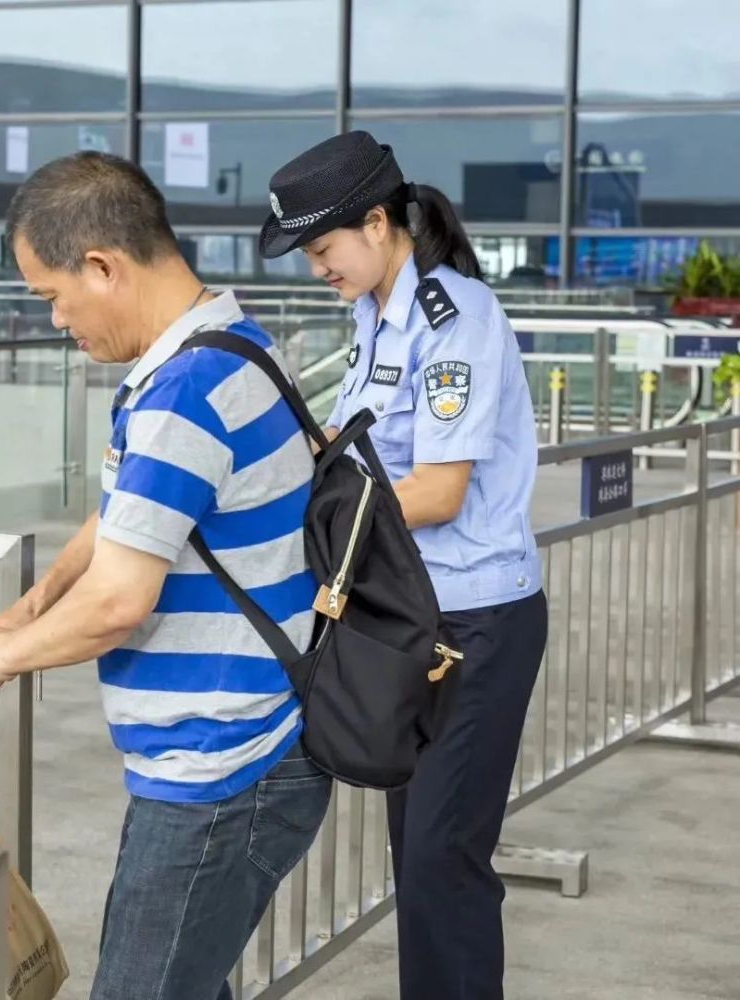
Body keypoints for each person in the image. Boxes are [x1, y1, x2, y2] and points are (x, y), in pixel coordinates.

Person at [0, 151, 332, 1000]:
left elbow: (118, 602)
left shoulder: (185, 390)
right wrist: (32, 605)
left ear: (103, 267)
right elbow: (129, 508)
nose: (55, 321)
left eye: (52, 295)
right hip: (230, 751)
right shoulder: (231, 346)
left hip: (227, 762)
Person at [258, 130, 548, 1000]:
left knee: (440, 857)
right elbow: (362, 459)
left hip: (476, 621)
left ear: (377, 223)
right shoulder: (373, 319)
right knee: (416, 852)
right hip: (409, 619)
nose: (317, 267)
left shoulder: (454, 318)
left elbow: (438, 490)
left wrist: (323, 513)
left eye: (322, 248)